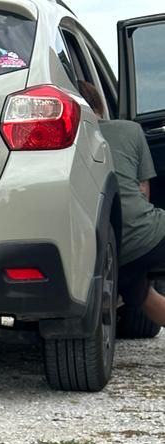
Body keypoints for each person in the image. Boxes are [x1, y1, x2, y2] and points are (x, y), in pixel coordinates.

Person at [79, 81, 165, 328]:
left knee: (144, 296)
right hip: (149, 234)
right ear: (100, 107)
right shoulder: (130, 130)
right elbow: (143, 191)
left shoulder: (65, 139)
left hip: (111, 254)